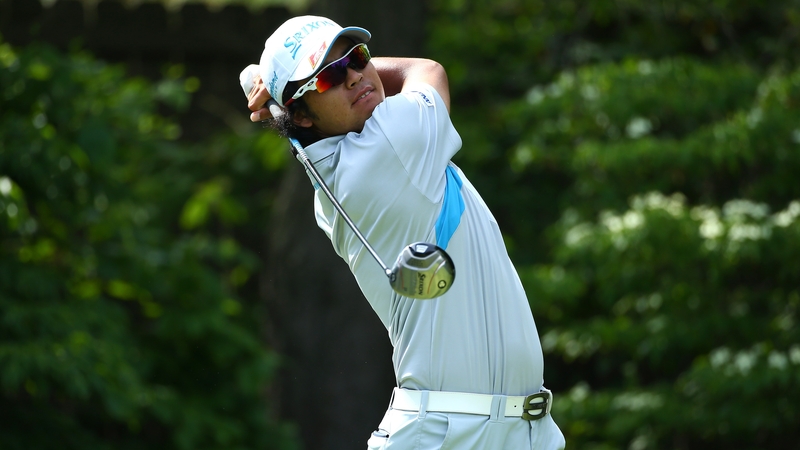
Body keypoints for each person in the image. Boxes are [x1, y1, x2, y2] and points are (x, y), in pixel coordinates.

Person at [240, 15, 566, 450]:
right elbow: (426, 71)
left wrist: (293, 89)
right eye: (331, 75)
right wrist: (282, 91)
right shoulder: (390, 146)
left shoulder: (348, 160)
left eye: (357, 58)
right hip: (452, 433)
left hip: (511, 428)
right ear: (299, 116)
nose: (355, 75)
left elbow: (364, 86)